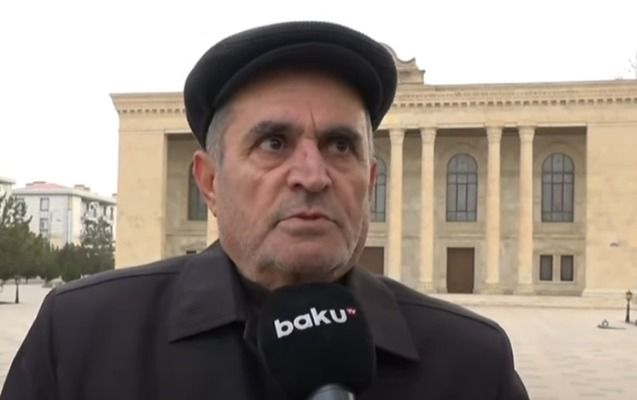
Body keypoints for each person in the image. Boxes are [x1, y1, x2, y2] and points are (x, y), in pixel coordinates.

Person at [1, 21, 529, 399]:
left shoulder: (471, 364)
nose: (313, 175)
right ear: (210, 182)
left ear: (370, 182)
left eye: (340, 145)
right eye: (274, 143)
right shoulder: (83, 338)